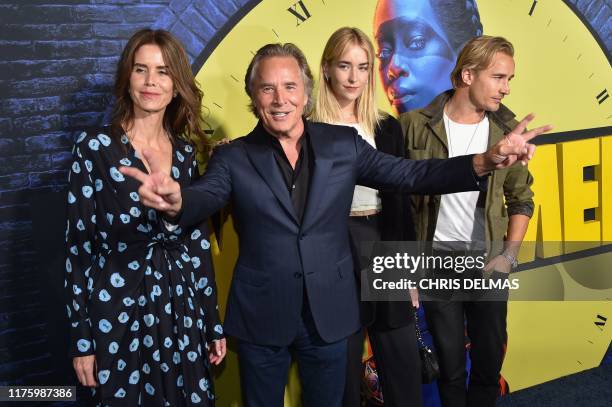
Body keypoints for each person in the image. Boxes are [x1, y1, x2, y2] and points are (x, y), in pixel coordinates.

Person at [120, 42, 549, 407]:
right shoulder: (233, 157)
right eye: (267, 88)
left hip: (329, 314)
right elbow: (207, 196)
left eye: (289, 87)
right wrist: (178, 200)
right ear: (254, 95)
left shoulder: (343, 145)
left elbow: (410, 175)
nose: (279, 99)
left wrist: (485, 161)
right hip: (262, 318)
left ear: (305, 92)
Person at [65, 29, 226, 406]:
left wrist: (211, 321)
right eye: (141, 69)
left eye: (163, 71)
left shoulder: (185, 154)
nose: (151, 81)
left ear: (177, 85)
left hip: (180, 310)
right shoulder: (94, 148)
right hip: (117, 312)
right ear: (128, 78)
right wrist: (82, 339)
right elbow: (78, 250)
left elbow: (197, 245)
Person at [400, 35, 539, 407]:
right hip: (436, 264)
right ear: (467, 75)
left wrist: (508, 256)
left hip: (487, 263)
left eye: (510, 79)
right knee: (449, 366)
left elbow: (522, 199)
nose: (506, 88)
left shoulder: (508, 130)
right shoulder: (413, 126)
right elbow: (398, 202)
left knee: (488, 364)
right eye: (498, 77)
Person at [311, 27, 421, 407]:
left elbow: (401, 202)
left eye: (363, 67)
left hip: (383, 238)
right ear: (326, 70)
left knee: (403, 362)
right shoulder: (307, 128)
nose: (355, 77)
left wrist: (408, 270)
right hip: (335, 247)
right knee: (341, 365)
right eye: (345, 66)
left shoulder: (386, 126)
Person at [374, 0, 483, 113]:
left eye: (417, 43)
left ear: (465, 52)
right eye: (384, 52)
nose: (394, 67)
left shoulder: (496, 128)